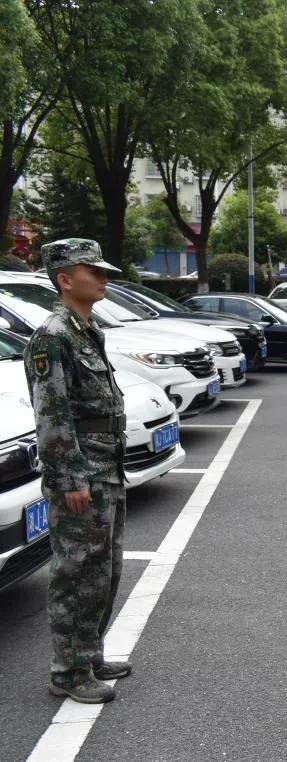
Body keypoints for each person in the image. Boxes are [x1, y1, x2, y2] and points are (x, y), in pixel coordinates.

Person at [25, 238, 130, 704]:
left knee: (105, 570)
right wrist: (70, 479)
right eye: (95, 272)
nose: (103, 278)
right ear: (66, 279)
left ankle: (89, 654)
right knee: (76, 572)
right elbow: (53, 414)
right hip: (83, 470)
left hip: (108, 465)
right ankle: (67, 671)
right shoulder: (53, 336)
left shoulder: (87, 329)